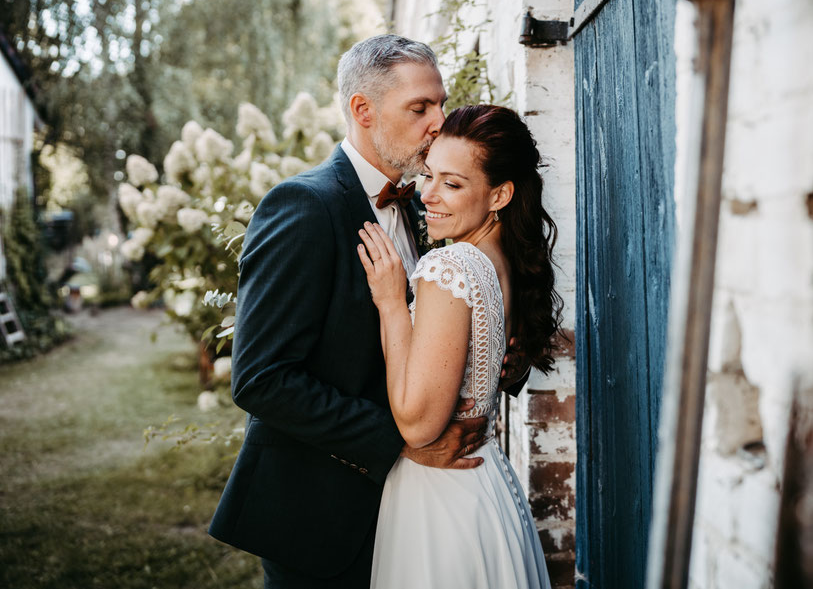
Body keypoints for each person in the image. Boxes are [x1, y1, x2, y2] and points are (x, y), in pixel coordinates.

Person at [208, 35, 528, 588]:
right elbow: (261, 379)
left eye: (441, 104)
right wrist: (404, 442)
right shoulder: (304, 206)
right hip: (323, 515)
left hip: (413, 516)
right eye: (420, 108)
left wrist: (491, 351)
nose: (438, 122)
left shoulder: (428, 207)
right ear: (363, 110)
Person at [357, 104, 561, 588]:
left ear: (499, 195)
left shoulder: (449, 268)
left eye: (452, 184)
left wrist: (390, 301)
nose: (427, 195)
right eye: (429, 175)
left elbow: (417, 422)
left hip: (440, 498)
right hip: (486, 479)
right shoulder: (503, 262)